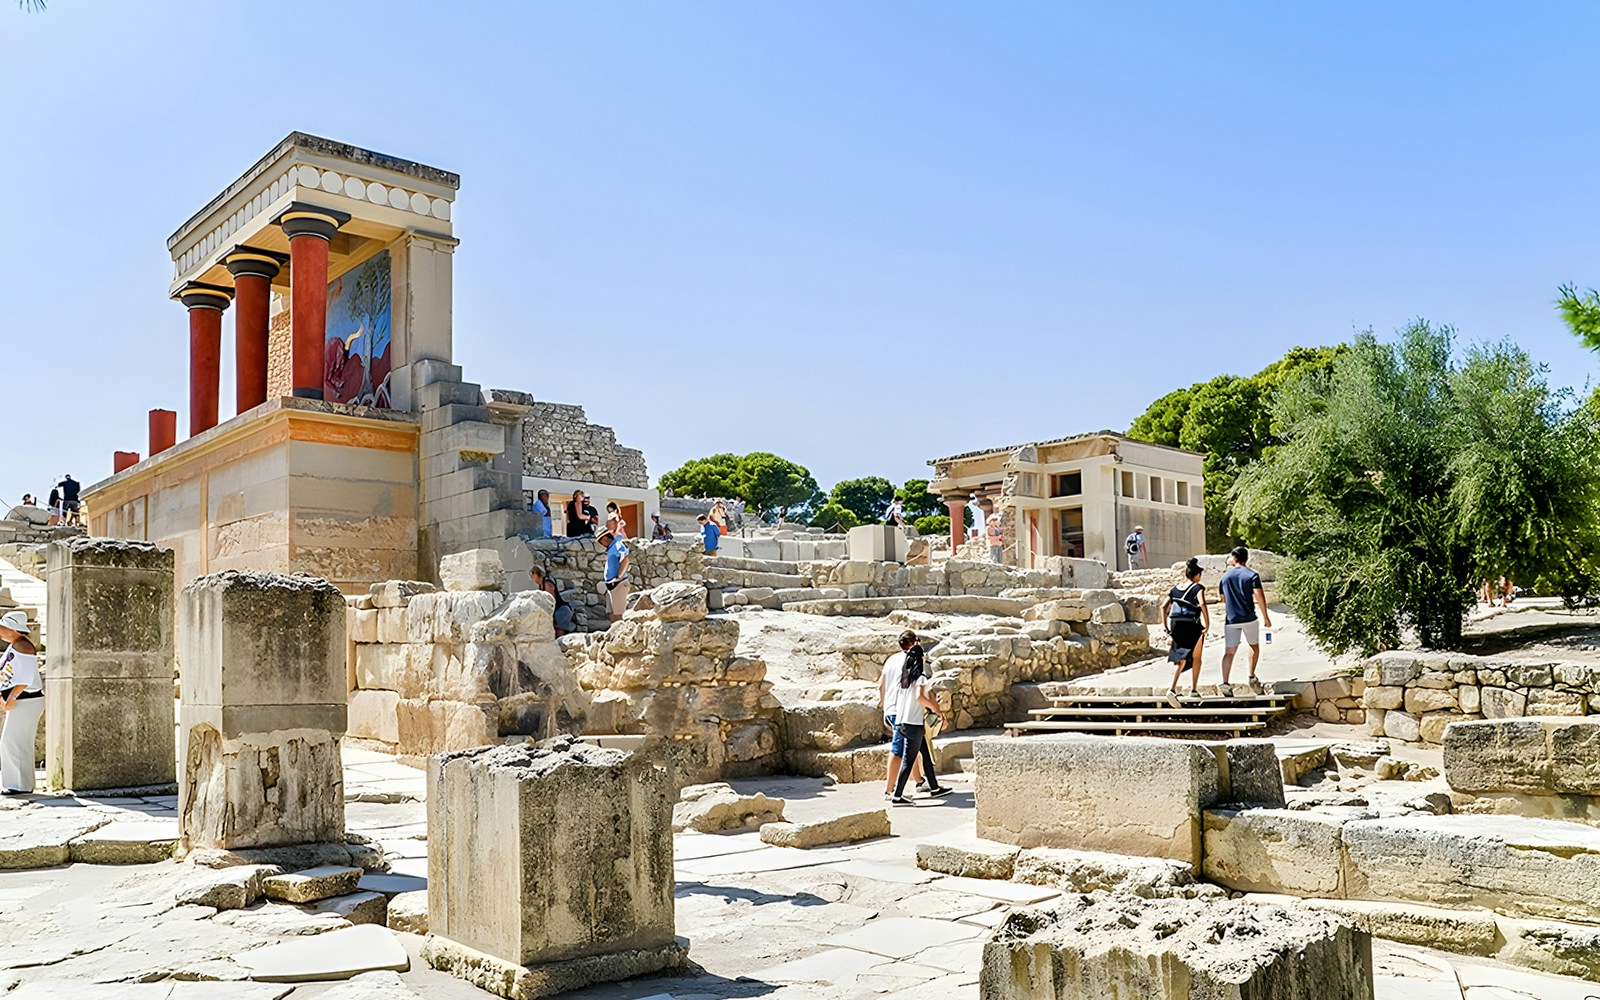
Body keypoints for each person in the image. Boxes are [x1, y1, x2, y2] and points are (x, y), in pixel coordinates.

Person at [888, 641, 953, 804]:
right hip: (913, 724)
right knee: (909, 761)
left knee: (924, 753)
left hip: (902, 723)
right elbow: (920, 697)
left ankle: (934, 788)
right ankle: (897, 795)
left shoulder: (904, 679)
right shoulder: (921, 677)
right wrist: (937, 711)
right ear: (921, 659)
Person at [1218, 545, 1272, 696]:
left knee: (1229, 652)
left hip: (1231, 619)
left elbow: (1222, 599)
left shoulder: (1224, 578)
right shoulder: (1252, 575)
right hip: (1249, 617)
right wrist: (1266, 617)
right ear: (1246, 558)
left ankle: (1225, 683)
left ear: (1234, 558)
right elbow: (1259, 596)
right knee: (1254, 646)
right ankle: (1251, 676)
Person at [878, 630, 926, 798]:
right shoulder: (910, 660)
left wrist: (884, 709)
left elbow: (880, 685)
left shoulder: (891, 659)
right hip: (902, 710)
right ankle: (890, 791)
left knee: (910, 746)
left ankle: (920, 781)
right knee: (898, 749)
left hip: (891, 709)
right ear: (914, 643)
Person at [0, 610, 43, 794]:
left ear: (13, 629)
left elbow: (25, 678)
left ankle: (18, 786)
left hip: (26, 700)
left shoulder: (23, 647)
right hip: (21, 700)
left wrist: (11, 698)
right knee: (14, 741)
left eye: (3, 628)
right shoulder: (16, 645)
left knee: (13, 742)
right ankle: (19, 784)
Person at [1161, 558, 1210, 707]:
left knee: (1181, 655)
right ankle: (1182, 689)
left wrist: (1166, 626)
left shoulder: (1175, 589)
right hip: (1192, 625)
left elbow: (1163, 607)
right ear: (1197, 575)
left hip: (1175, 624)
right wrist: (1207, 624)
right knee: (1196, 657)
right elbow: (1202, 603)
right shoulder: (1197, 587)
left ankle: (1177, 688)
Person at [598, 528, 630, 622]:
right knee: (612, 613)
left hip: (618, 584)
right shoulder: (611, 548)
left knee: (619, 614)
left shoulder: (617, 545)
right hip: (612, 585)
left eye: (601, 540)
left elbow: (625, 559)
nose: (601, 543)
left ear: (606, 538)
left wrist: (619, 577)